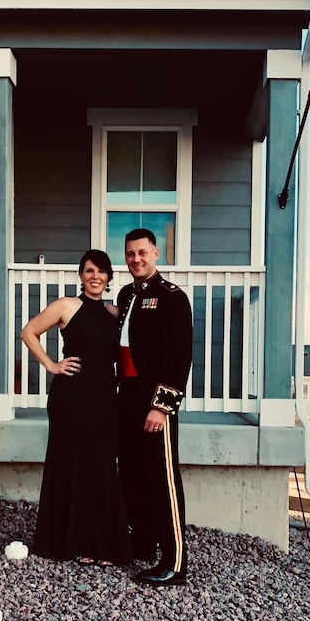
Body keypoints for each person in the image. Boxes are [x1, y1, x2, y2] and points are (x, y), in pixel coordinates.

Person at [20, 249, 132, 568]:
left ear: (109, 277)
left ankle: (103, 544)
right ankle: (70, 542)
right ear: (81, 276)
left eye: (101, 271)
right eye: (89, 270)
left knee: (101, 467)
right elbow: (28, 332)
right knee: (72, 465)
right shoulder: (66, 305)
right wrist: (52, 365)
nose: (95, 276)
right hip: (71, 398)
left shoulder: (115, 313)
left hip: (105, 399)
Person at [117, 228, 193, 586]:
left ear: (156, 254)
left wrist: (162, 407)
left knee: (163, 479)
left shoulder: (172, 298)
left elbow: (179, 359)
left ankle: (176, 562)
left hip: (153, 401)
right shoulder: (125, 294)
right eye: (131, 254)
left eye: (142, 253)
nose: (136, 259)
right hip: (127, 396)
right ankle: (144, 542)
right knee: (133, 474)